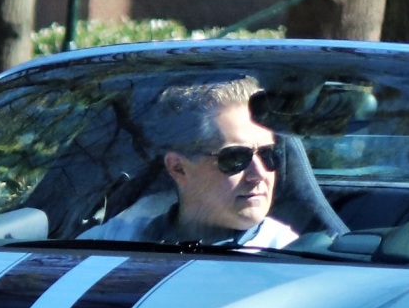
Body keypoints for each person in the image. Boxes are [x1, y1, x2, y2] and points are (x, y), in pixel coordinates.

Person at [88, 76, 298, 248]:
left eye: (268, 154)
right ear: (178, 168)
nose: (259, 173)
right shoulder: (109, 244)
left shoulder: (293, 259)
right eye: (236, 157)